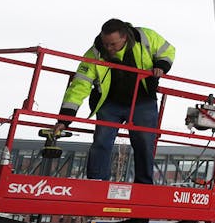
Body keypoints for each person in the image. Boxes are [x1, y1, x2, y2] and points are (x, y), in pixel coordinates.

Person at [55, 18, 175, 185]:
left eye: (113, 44)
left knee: (145, 143)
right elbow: (79, 86)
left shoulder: (146, 36)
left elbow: (168, 50)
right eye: (106, 44)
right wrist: (65, 119)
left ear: (124, 37)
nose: (108, 48)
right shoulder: (95, 53)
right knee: (102, 141)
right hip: (110, 103)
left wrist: (161, 65)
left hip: (142, 100)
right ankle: (97, 181)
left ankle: (144, 185)